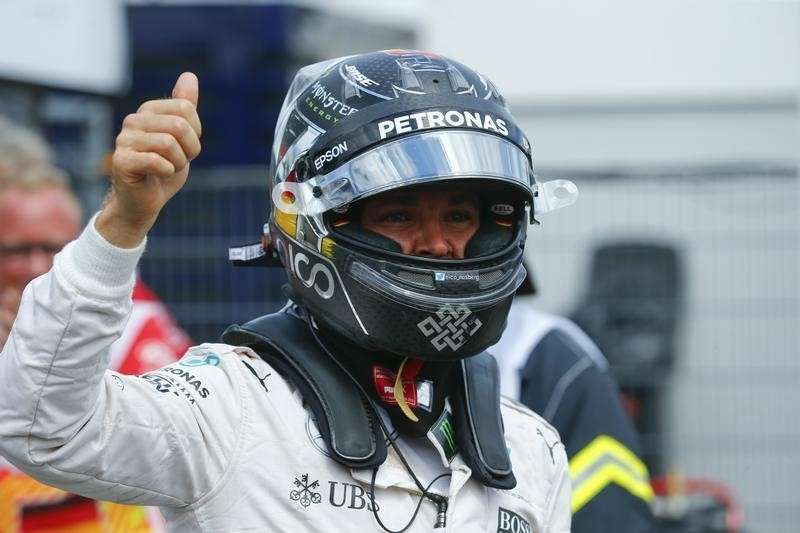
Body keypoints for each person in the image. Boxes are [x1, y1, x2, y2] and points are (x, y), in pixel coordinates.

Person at [0, 51, 578, 532]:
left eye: (459, 218)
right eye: (399, 215)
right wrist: (122, 224)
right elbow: (42, 426)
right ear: (317, 223)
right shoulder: (232, 407)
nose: (437, 244)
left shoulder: (530, 448)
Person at [0, 117, 190, 532]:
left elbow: (174, 448)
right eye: (16, 249)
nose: (36, 266)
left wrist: (44, 353)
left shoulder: (133, 320)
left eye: (51, 247)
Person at [490, 265, 656, 532]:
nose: (437, 246)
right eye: (401, 220)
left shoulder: (563, 369)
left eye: (458, 220)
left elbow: (612, 517)